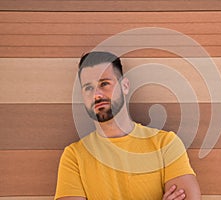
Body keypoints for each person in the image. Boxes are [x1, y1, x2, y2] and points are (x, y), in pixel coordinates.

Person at [55, 51, 201, 200]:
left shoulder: (165, 144)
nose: (97, 94)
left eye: (104, 83)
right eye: (88, 88)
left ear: (125, 86)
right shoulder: (74, 157)